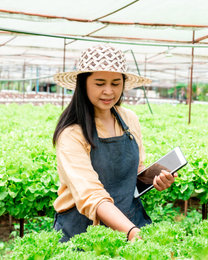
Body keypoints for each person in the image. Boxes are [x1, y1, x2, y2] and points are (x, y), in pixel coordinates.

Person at [52, 44, 177, 242]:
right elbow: (91, 196)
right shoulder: (71, 133)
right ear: (83, 84)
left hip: (128, 218)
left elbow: (133, 173)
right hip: (84, 230)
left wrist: (154, 177)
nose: (109, 91)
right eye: (100, 83)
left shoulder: (129, 119)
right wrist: (132, 233)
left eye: (116, 83)